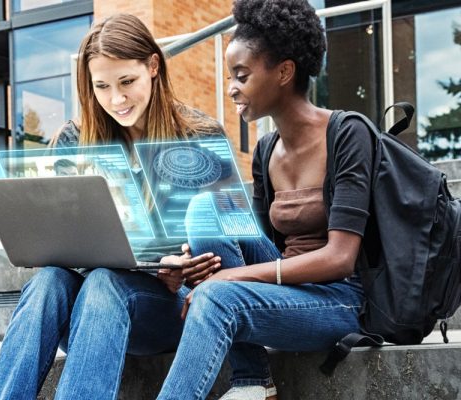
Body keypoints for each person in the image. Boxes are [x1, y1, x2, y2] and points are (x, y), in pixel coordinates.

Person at [0, 13, 225, 399]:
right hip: (89, 313)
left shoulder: (200, 137)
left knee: (103, 282)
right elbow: (61, 243)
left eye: (127, 81)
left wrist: (187, 263)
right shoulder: (74, 140)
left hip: (167, 307)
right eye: (102, 86)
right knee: (48, 281)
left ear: (153, 65)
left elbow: (226, 248)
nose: (117, 99)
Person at [157, 0, 374, 399]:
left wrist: (227, 280)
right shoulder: (266, 149)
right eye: (229, 76)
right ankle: (255, 379)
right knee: (207, 208)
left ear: (284, 72)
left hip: (341, 298)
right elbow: (255, 246)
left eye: (241, 75)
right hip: (288, 281)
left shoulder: (347, 134)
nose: (232, 88)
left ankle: (253, 381)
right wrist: (193, 268)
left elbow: (340, 257)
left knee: (218, 295)